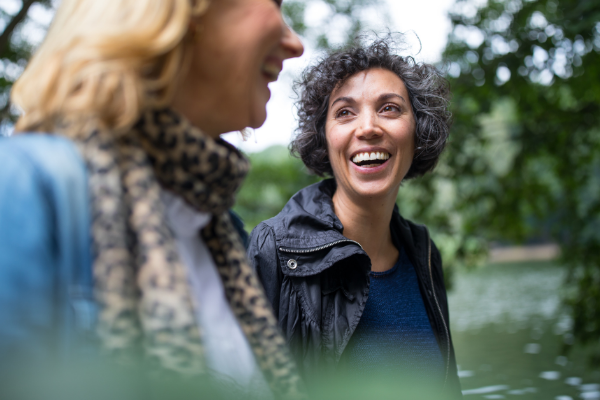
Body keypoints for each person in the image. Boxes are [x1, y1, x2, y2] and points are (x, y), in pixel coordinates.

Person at [0, 0, 304, 398]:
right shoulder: (23, 186)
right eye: (274, 4)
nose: (295, 43)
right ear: (181, 12)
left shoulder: (220, 232)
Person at [247, 38, 462, 398]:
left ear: (418, 133)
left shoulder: (424, 253)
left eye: (390, 109)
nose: (368, 128)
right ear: (324, 138)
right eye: (345, 112)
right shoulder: (275, 250)